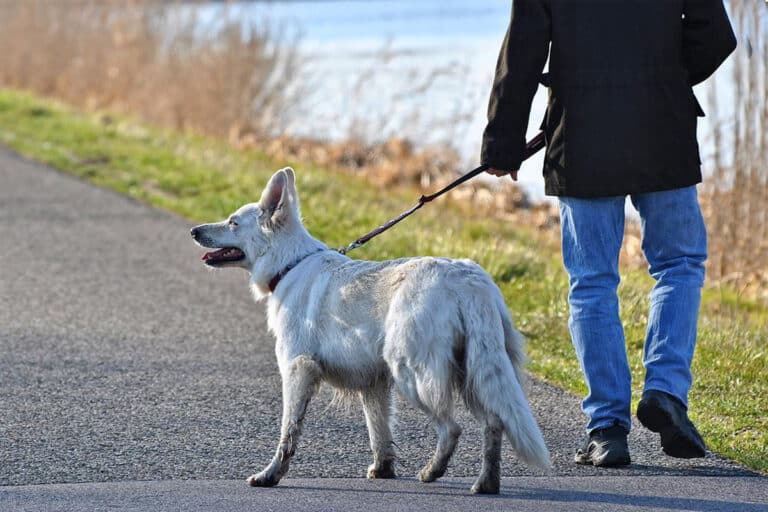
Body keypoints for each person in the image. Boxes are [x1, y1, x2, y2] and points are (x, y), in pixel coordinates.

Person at [481, 0, 736, 466]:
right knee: (679, 265)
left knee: (592, 281)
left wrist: (502, 141)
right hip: (663, 128)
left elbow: (523, 51)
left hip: (582, 137)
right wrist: (665, 77)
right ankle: (665, 391)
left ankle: (607, 429)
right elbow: (716, 37)